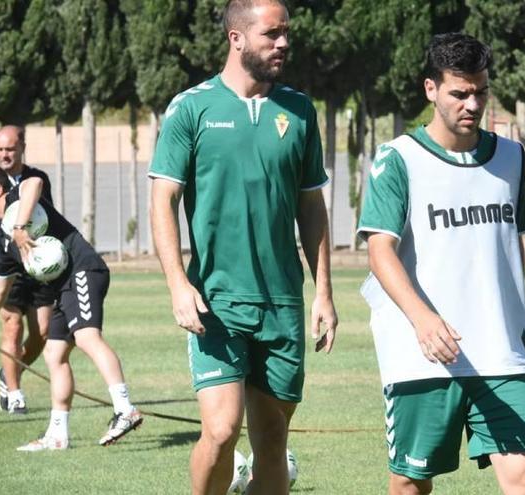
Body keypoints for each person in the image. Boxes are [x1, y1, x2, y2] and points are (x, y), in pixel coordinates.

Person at [149, 1, 338, 493]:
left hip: (282, 304)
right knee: (221, 429)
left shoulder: (299, 110)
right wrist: (176, 282)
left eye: (286, 33)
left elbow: (311, 208)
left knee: (273, 437)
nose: (283, 43)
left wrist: (324, 293)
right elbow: (163, 198)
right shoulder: (191, 108)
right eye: (271, 34)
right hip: (216, 300)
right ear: (236, 38)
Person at [357, 33, 525, 495]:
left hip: (503, 351)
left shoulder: (511, 157)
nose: (472, 103)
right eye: (459, 93)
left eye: (480, 91)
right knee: (410, 482)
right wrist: (423, 320)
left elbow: (508, 244)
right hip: (422, 354)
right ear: (431, 89)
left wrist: (516, 317)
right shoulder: (397, 159)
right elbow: (380, 250)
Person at [0, 163, 143, 451]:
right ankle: (57, 435)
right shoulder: (1, 239)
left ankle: (125, 409)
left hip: (84, 270)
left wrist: (21, 226)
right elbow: (1, 287)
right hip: (62, 287)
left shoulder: (16, 199)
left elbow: (34, 182)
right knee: (54, 352)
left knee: (87, 337)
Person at [0, 125, 55, 415]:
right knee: (12, 324)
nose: (4, 155)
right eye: (0, 149)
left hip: (33, 261)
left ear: (22, 148)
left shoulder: (37, 179)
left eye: (10, 149)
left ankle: (9, 373)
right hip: (1, 262)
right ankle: (15, 394)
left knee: (42, 330)